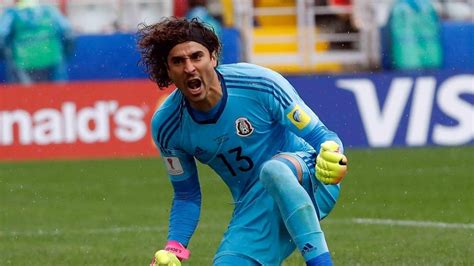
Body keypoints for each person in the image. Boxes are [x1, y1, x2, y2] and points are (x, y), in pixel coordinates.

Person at [138, 17, 348, 266]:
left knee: (274, 170)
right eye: (178, 61)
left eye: (197, 56)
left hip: (310, 177)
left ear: (213, 57)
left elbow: (322, 136)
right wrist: (174, 248)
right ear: (168, 69)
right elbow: (186, 195)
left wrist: (332, 153)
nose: (189, 68)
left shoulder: (258, 83)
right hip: (255, 206)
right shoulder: (168, 125)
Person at [0, 0, 74, 84]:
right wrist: (65, 54)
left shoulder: (11, 13)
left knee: (25, 96)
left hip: (23, 63)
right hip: (52, 60)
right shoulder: (48, 11)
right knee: (57, 95)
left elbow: (1, 35)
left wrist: (5, 55)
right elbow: (68, 32)